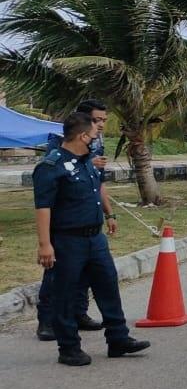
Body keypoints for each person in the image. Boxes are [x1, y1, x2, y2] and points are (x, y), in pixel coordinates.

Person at [33, 112, 150, 366]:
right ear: (82, 136)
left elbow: (97, 190)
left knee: (107, 285)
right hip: (67, 240)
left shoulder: (87, 162)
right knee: (66, 292)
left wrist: (110, 214)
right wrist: (45, 244)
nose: (97, 138)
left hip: (94, 239)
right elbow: (43, 207)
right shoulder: (51, 167)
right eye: (94, 134)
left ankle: (118, 339)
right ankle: (69, 347)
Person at [34, 99, 112, 340]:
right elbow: (48, 193)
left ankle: (80, 313)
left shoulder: (96, 145)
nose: (100, 126)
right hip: (65, 226)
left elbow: (98, 184)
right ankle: (47, 321)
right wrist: (45, 242)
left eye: (103, 121)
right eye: (97, 121)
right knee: (56, 276)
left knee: (86, 274)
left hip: (89, 224)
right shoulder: (60, 145)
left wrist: (110, 214)